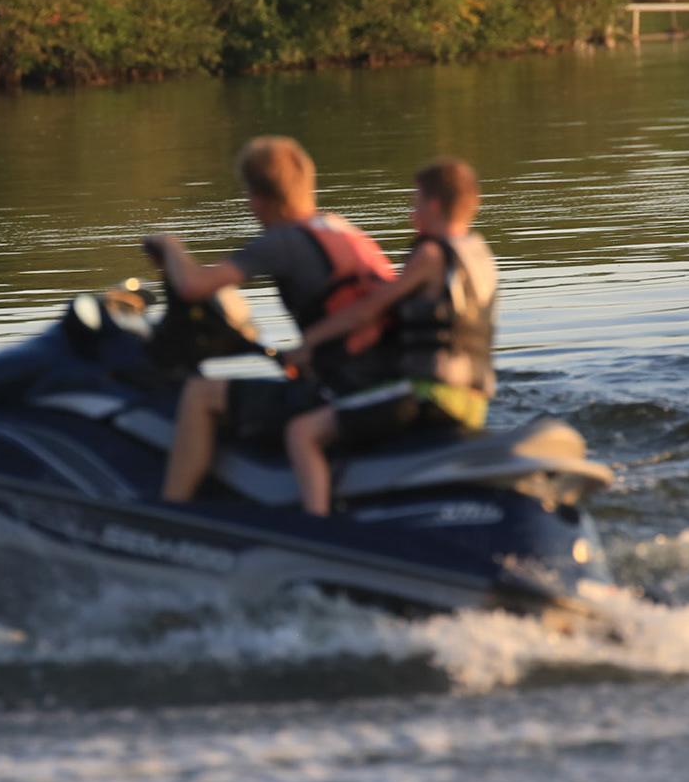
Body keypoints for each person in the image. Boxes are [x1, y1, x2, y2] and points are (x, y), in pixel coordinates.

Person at [148, 136, 396, 505]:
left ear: (258, 198)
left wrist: (169, 246)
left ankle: (170, 514)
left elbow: (193, 287)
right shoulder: (343, 231)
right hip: (381, 378)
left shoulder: (282, 241)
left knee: (199, 394)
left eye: (249, 197)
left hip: (343, 390)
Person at [283, 157, 498, 515]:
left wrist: (309, 343)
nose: (412, 209)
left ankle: (317, 525)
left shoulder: (430, 255)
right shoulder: (478, 254)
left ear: (433, 204)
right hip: (474, 401)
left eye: (416, 199)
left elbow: (368, 310)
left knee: (302, 432)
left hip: (429, 394)